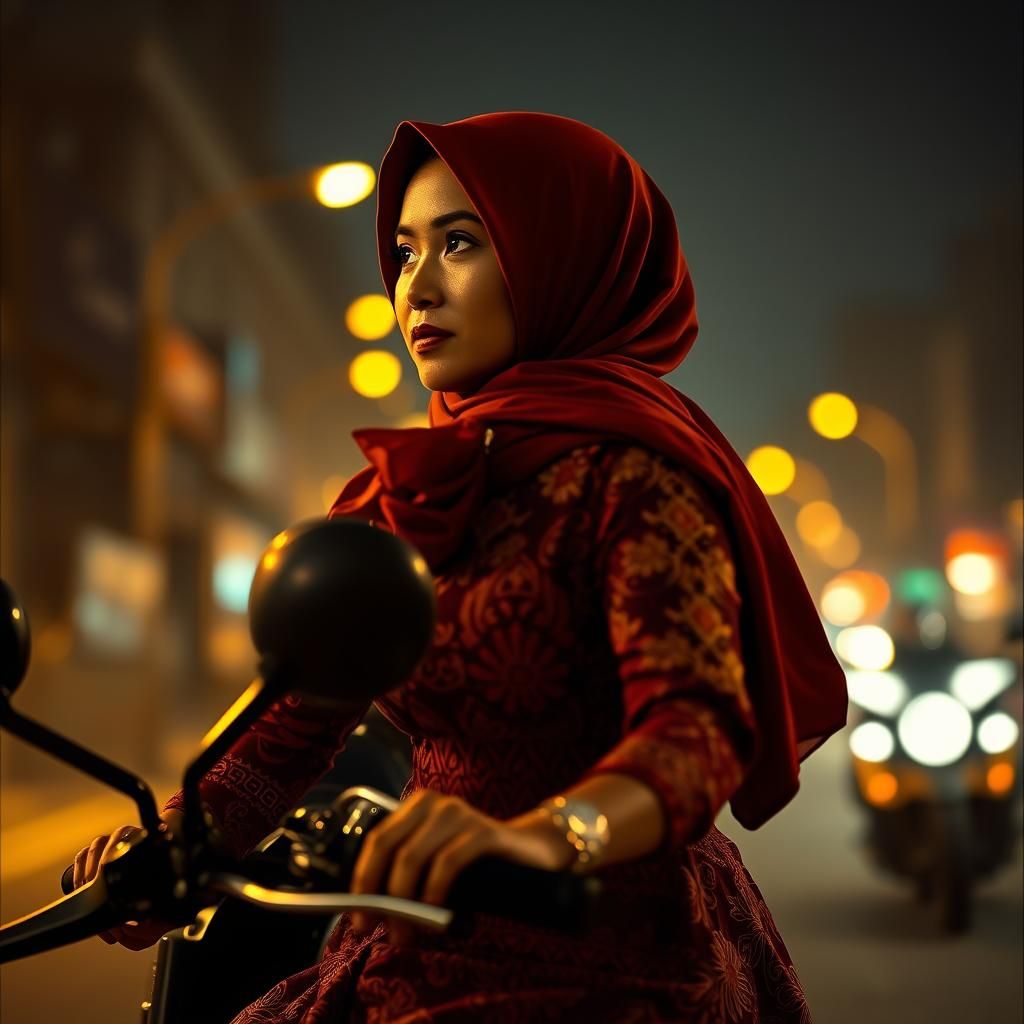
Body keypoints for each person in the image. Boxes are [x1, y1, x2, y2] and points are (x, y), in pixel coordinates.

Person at [73, 111, 847, 1021]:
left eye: (462, 243)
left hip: (614, 947)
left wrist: (548, 839)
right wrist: (169, 846)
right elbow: (289, 733)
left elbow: (696, 736)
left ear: (562, 257)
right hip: (413, 926)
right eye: (404, 252)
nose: (417, 288)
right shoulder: (402, 494)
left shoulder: (637, 476)